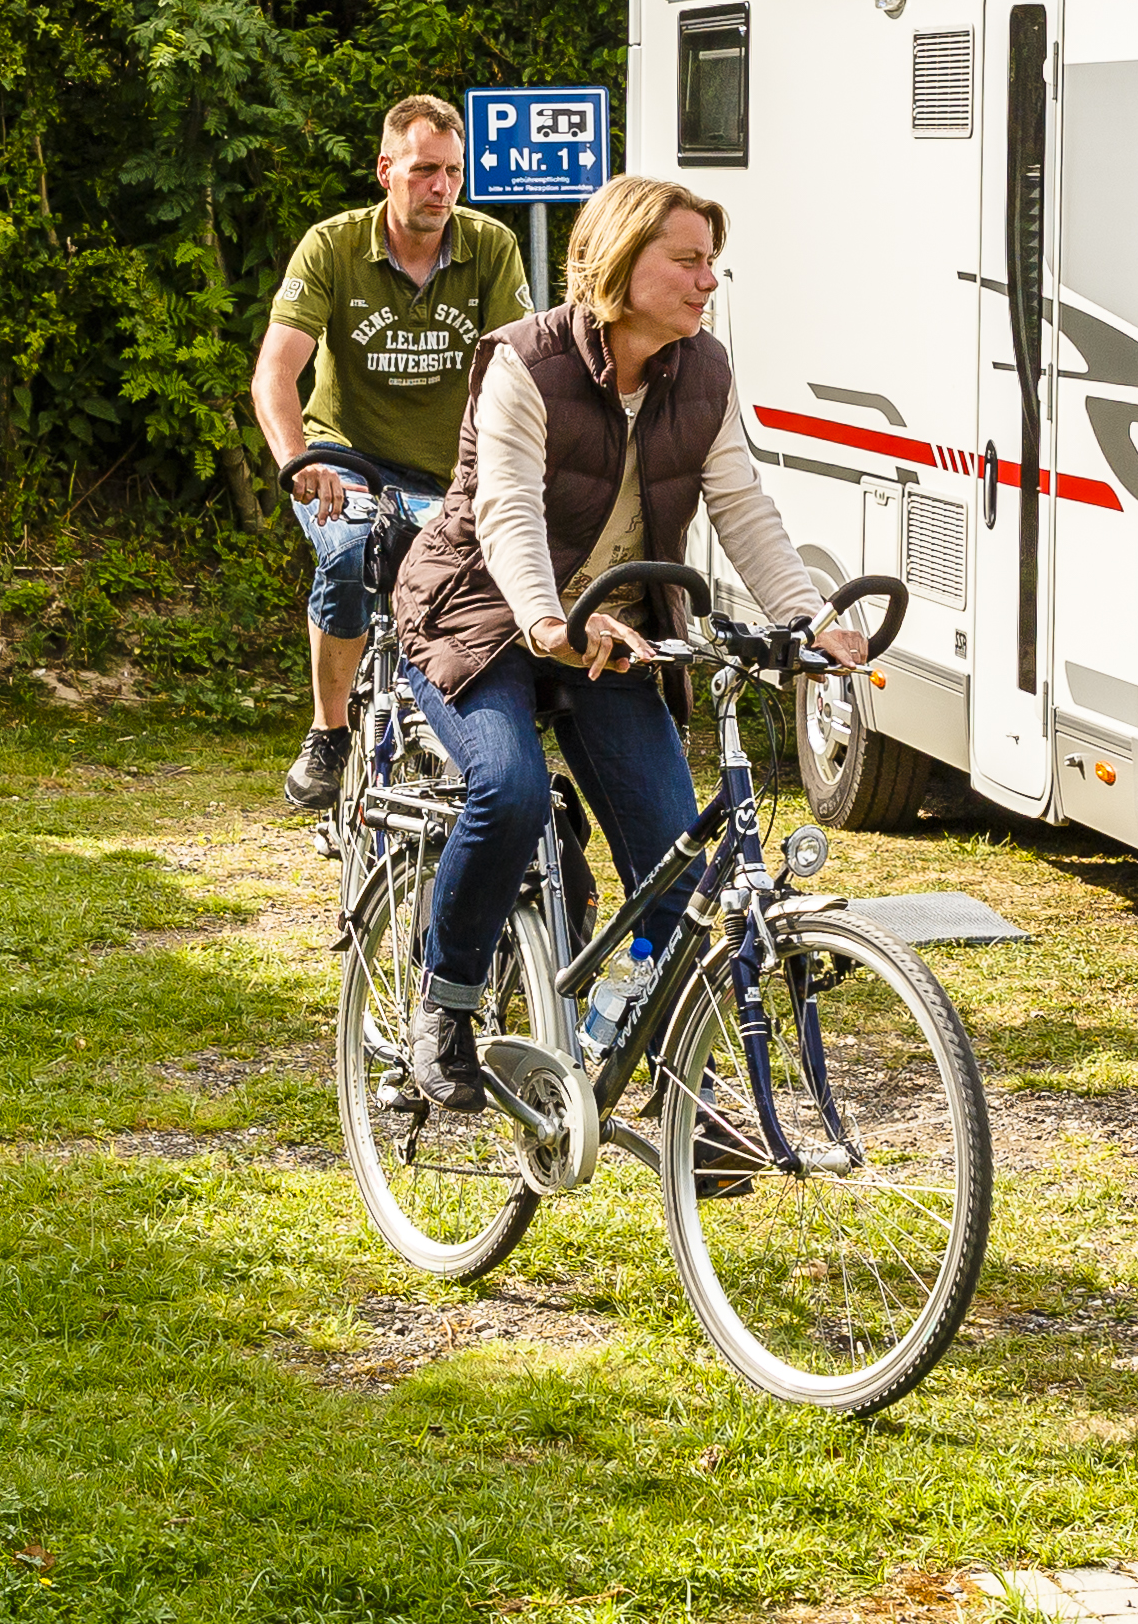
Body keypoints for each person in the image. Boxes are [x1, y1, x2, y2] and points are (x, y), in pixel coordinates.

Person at [372, 173, 814, 1113]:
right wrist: (545, 619)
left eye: (713, 263)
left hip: (612, 632)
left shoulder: (705, 372)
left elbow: (742, 507)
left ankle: (665, 1073)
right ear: (621, 263)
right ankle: (443, 1005)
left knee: (672, 861)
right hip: (480, 615)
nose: (708, 282)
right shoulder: (523, 364)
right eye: (688, 260)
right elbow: (507, 514)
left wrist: (807, 617)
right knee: (509, 789)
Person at [249, 95, 528, 811]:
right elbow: (276, 371)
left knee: (501, 581)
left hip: (453, 467)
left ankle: (485, 746)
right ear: (386, 170)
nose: (441, 187)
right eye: (425, 169)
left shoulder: (490, 246)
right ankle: (330, 729)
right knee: (346, 555)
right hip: (348, 459)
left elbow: (519, 375)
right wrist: (297, 459)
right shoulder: (333, 246)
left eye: (454, 173)